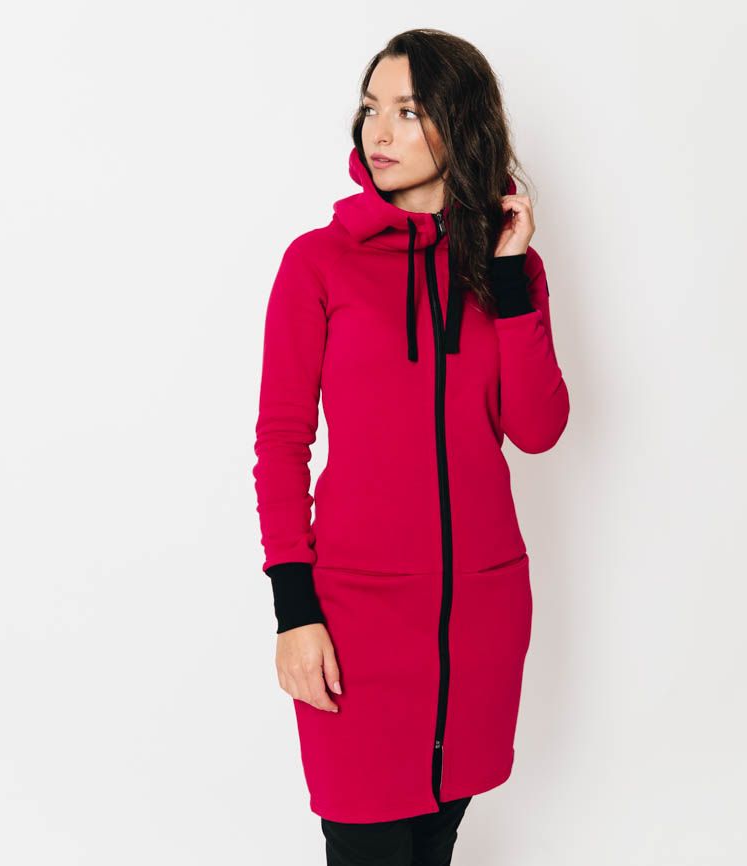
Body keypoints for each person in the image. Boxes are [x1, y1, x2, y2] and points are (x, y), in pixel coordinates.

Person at [252, 28, 570, 865]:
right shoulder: (318, 265)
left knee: (433, 846)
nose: (378, 132)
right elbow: (281, 444)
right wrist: (295, 611)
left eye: (407, 111)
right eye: (371, 110)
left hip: (478, 615)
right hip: (353, 625)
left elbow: (537, 428)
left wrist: (509, 276)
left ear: (460, 124)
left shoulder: (507, 271)